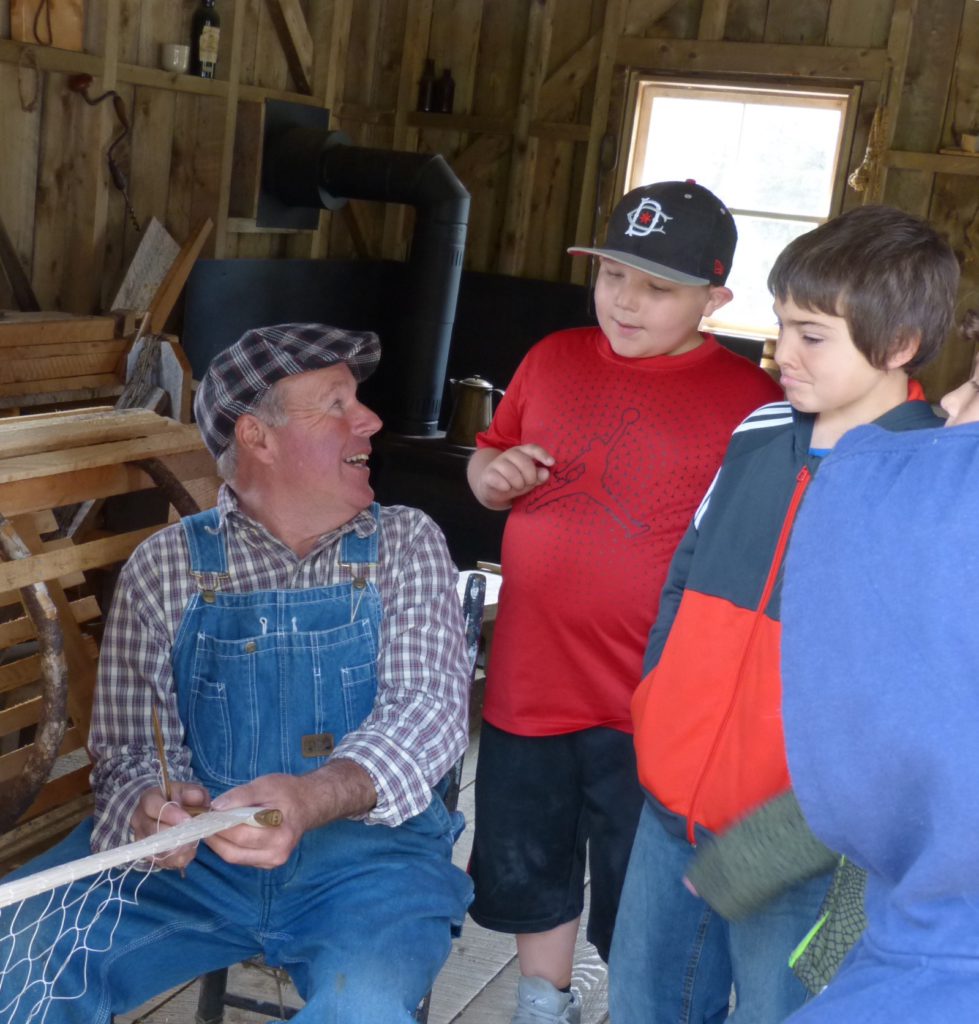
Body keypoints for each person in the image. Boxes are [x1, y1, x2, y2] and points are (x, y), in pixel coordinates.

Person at [0, 324, 474, 1023]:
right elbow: (129, 755)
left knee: (363, 1009)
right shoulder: (165, 567)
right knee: (16, 951)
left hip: (370, 864)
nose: (369, 419)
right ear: (257, 437)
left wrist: (312, 797)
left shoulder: (404, 543)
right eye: (336, 402)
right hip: (198, 870)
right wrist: (149, 809)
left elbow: (427, 714)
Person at [611, 204, 960, 1023]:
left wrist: (802, 822)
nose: (780, 352)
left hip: (803, 848)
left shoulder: (929, 484)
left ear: (899, 344)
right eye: (777, 325)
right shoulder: (760, 431)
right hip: (672, 807)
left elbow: (910, 706)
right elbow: (685, 575)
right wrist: (656, 702)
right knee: (640, 1005)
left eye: (811, 335)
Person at [466, 180, 782, 1024]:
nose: (625, 302)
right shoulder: (552, 358)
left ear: (714, 300)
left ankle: (634, 999)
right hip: (530, 675)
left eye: (657, 288)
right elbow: (491, 454)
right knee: (526, 854)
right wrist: (489, 481)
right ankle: (542, 998)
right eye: (612, 276)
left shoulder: (752, 402)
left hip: (654, 696)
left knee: (638, 875)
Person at [779, 310, 979, 1023]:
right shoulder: (759, 443)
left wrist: (743, 857)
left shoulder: (907, 507)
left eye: (978, 386)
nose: (951, 404)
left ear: (895, 351)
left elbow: (916, 743)